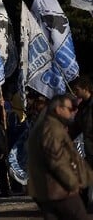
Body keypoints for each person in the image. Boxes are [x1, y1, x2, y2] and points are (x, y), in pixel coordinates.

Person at [28, 94, 93, 219]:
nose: (73, 112)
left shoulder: (47, 126)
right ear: (58, 109)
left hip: (47, 190)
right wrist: (73, 183)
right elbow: (57, 161)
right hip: (59, 190)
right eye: (70, 109)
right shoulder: (52, 129)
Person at [70, 76, 93, 209]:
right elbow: (77, 127)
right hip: (89, 150)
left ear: (86, 89)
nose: (75, 92)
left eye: (77, 89)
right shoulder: (83, 107)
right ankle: (82, 206)